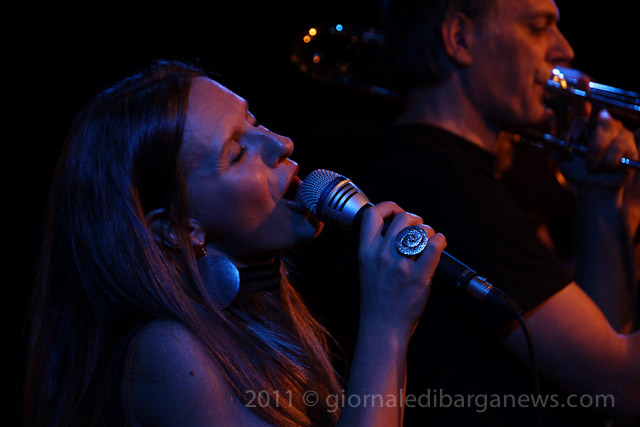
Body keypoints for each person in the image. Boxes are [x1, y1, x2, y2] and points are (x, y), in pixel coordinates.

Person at [22, 60, 447, 426]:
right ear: (177, 228)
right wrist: (385, 326)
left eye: (254, 123)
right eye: (237, 153)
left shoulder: (263, 319)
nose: (281, 143)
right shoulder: (166, 351)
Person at [360, 0, 640, 425]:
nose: (564, 49)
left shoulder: (443, 170)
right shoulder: (444, 184)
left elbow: (603, 345)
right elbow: (622, 387)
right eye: (538, 27)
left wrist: (601, 195)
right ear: (460, 39)